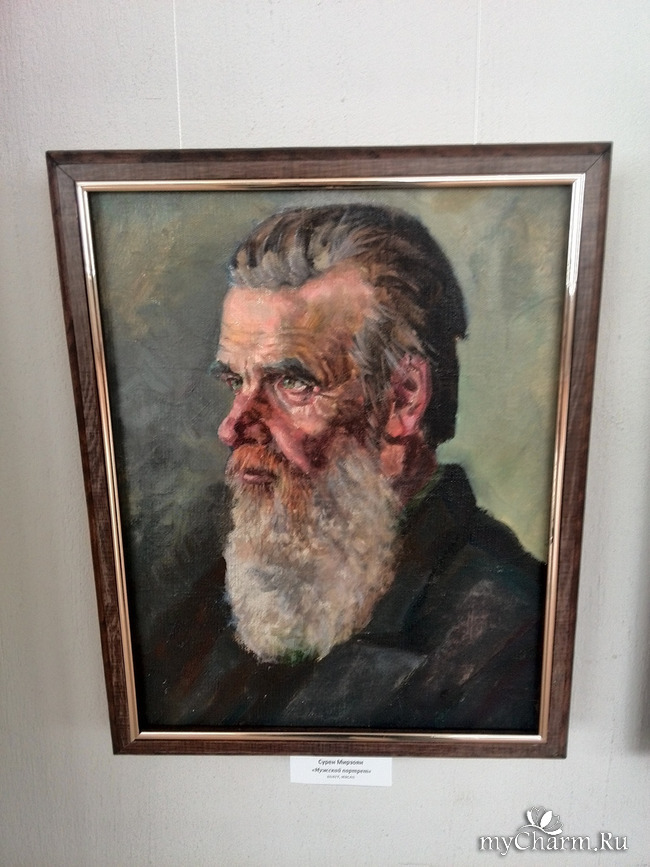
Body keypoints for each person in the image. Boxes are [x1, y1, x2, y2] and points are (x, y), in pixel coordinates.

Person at [142, 203, 546, 732]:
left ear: (403, 398)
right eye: (236, 382)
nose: (233, 426)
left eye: (292, 383)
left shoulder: (508, 634)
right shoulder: (194, 576)